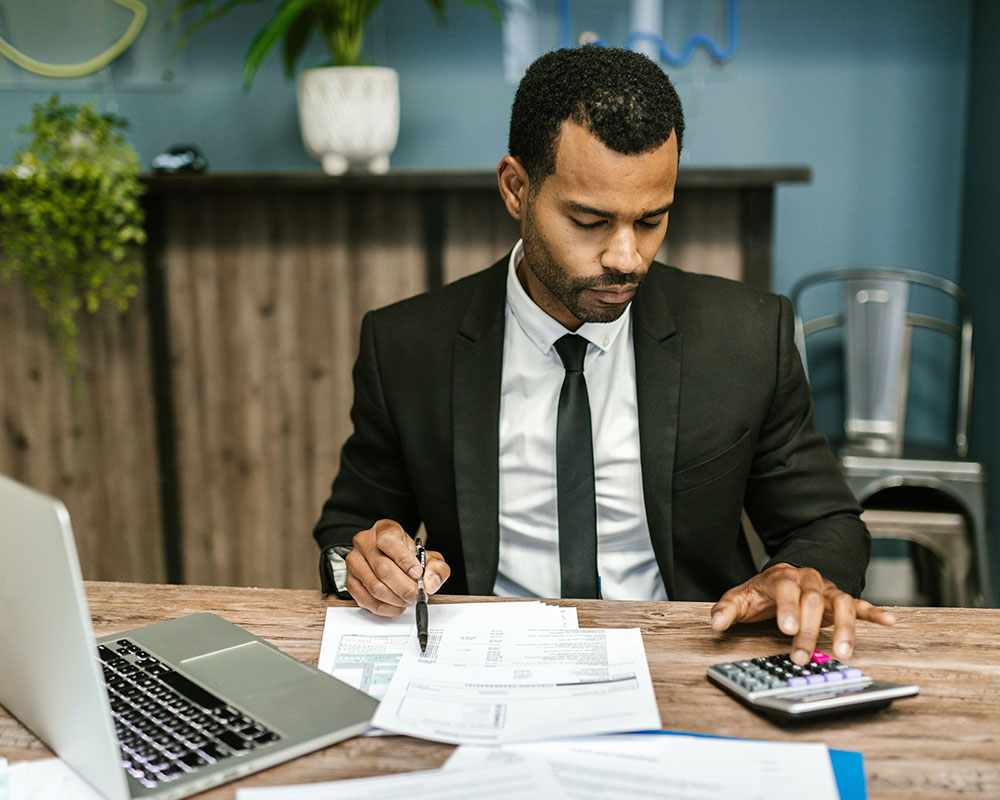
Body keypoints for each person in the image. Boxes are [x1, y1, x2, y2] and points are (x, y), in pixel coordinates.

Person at [313, 46, 895, 666]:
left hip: (688, 659)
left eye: (651, 220)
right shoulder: (408, 345)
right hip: (482, 665)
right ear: (517, 189)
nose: (626, 257)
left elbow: (828, 524)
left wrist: (800, 572)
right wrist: (364, 564)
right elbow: (349, 530)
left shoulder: (749, 337)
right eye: (590, 220)